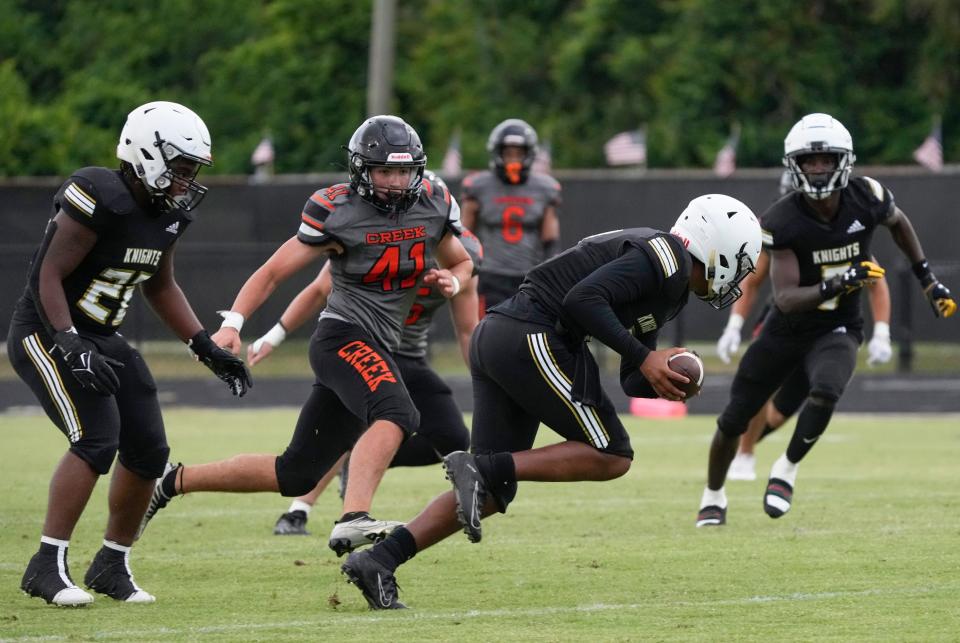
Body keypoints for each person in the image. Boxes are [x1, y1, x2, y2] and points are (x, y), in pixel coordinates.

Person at [338, 194, 763, 609]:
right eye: (739, 265)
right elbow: (582, 300)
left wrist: (662, 378)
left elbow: (632, 378)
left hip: (506, 334)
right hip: (533, 333)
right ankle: (481, 467)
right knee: (613, 454)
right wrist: (644, 356)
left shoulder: (670, 286)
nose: (739, 279)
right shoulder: (665, 258)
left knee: (490, 492)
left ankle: (379, 560)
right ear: (717, 249)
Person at [136, 115, 475, 559]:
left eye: (403, 171)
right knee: (397, 412)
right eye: (384, 171)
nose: (394, 182)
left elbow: (463, 262)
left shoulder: (433, 200)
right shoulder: (338, 210)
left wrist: (453, 282)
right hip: (342, 337)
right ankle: (353, 518)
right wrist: (233, 324)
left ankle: (172, 480)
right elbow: (273, 271)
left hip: (378, 343)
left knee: (295, 473)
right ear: (361, 170)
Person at [7, 101, 250, 606]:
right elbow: (45, 277)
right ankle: (45, 566)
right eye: (181, 167)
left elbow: (160, 286)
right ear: (146, 154)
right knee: (96, 439)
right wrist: (68, 342)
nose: (187, 180)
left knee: (149, 451)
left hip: (103, 337)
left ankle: (111, 564)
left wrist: (205, 347)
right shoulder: (101, 194)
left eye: (192, 171)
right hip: (46, 331)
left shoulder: (166, 216)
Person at [696, 113, 956, 527]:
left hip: (837, 328)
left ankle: (786, 468)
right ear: (793, 166)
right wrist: (840, 282)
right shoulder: (781, 219)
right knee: (734, 418)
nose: (818, 169)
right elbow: (783, 297)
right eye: (809, 161)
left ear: (844, 161)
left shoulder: (868, 195)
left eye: (826, 160)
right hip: (786, 329)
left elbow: (899, 224)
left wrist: (927, 280)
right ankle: (713, 494)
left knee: (827, 390)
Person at [257, 222, 482, 540]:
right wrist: (276, 334)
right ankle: (299, 510)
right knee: (340, 432)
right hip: (361, 347)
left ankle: (357, 462)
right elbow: (321, 289)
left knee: (452, 436)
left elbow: (467, 329)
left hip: (408, 356)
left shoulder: (464, 255)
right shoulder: (374, 237)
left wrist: (482, 380)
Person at [717, 246, 893, 482]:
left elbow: (876, 280)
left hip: (828, 327)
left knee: (780, 414)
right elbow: (753, 279)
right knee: (762, 385)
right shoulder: (784, 224)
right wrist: (734, 325)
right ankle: (744, 454)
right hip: (783, 321)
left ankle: (739, 441)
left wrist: (882, 332)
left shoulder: (848, 228)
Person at [461, 118, 561, 315]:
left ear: (529, 155)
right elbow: (463, 233)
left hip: (529, 275)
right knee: (488, 335)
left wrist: (550, 274)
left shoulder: (545, 188)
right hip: (490, 275)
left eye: (519, 153)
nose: (513, 159)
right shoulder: (478, 186)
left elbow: (550, 239)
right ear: (498, 153)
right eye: (508, 153)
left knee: (525, 334)